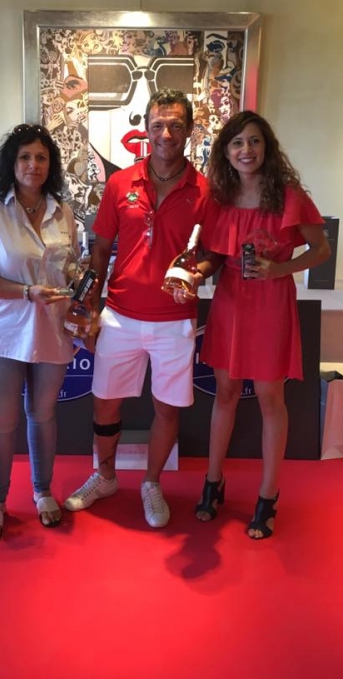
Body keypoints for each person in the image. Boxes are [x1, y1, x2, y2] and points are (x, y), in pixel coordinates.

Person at [64, 88, 212, 528]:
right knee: (105, 405)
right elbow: (100, 250)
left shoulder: (205, 190)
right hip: (120, 315)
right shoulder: (119, 183)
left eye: (176, 125)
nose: (166, 134)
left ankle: (151, 482)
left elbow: (214, 254)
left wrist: (199, 274)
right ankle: (105, 477)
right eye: (158, 125)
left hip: (174, 321)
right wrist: (90, 310)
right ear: (146, 129)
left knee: (167, 409)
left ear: (189, 130)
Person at [194, 111, 330, 539]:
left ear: (266, 147)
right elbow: (213, 255)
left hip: (271, 303)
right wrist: (192, 273)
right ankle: (213, 482)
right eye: (237, 143)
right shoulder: (219, 198)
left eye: (254, 141)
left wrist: (281, 269)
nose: (246, 150)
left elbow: (321, 249)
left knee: (271, 398)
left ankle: (268, 495)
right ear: (226, 152)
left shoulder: (288, 195)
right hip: (230, 302)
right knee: (226, 392)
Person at [0, 124, 79, 543]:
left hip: (52, 330)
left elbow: (70, 268)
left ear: (51, 165)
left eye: (41, 157)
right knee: (1, 422)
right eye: (25, 157)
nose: (33, 165)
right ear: (12, 163)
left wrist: (79, 284)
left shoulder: (63, 213)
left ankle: (42, 491)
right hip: (4, 332)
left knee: (43, 415)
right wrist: (25, 292)